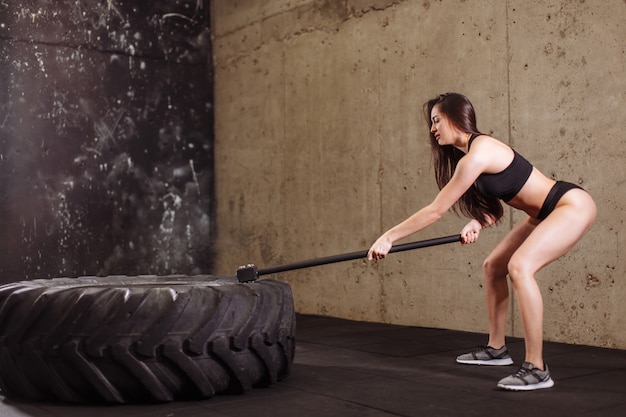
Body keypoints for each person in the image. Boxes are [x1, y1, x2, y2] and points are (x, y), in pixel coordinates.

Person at [367, 92, 596, 391]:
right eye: (431, 123)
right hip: (541, 213)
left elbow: (436, 210)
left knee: (521, 267)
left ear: (454, 116)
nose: (432, 129)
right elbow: (500, 203)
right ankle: (497, 349)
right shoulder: (471, 156)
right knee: (493, 267)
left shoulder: (478, 153)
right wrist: (477, 222)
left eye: (436, 121)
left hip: (569, 205)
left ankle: (537, 368)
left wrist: (388, 237)